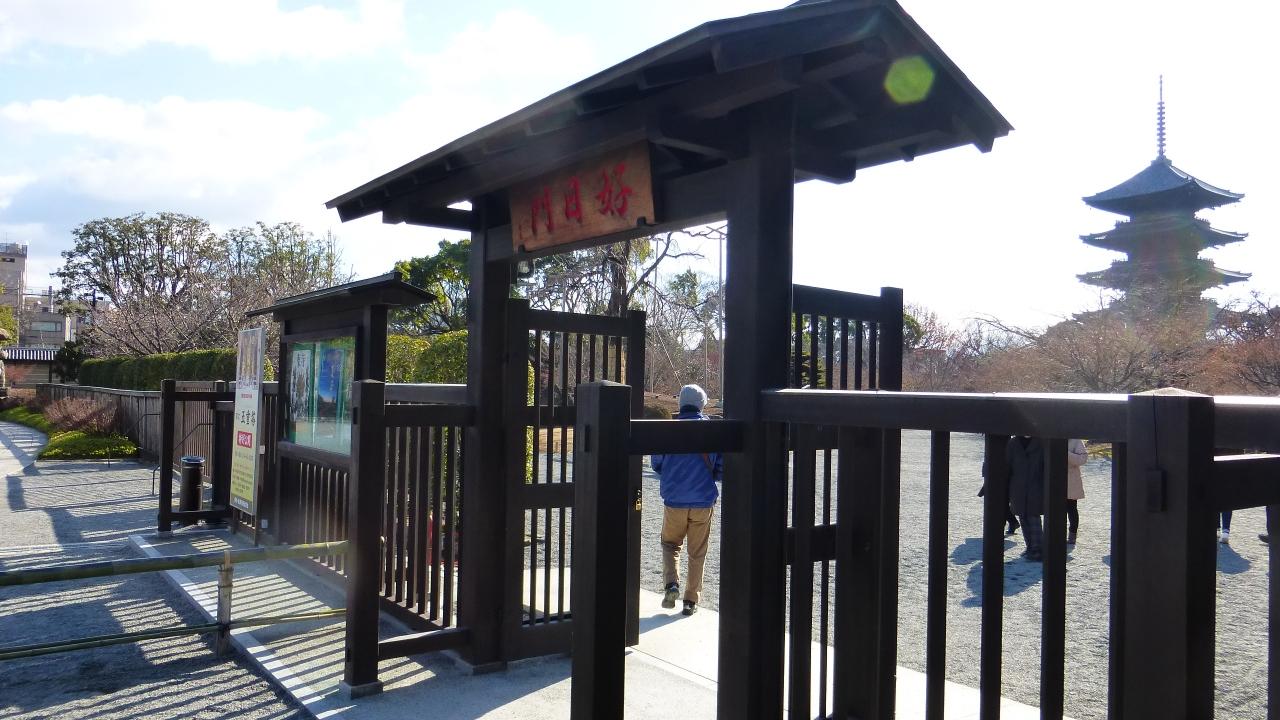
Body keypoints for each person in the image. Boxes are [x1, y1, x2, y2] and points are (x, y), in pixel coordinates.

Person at [650, 384, 723, 616]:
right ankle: (691, 600)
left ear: (681, 404)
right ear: (701, 405)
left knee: (670, 544)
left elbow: (657, 463)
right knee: (697, 552)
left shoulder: (668, 430)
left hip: (674, 500)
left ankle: (672, 584)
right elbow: (720, 467)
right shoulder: (711, 431)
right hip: (703, 501)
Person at [1006, 436, 1045, 562]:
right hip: (1018, 487)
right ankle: (1030, 547)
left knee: (1033, 517)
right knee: (1023, 517)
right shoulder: (1013, 443)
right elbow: (1008, 465)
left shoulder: (1042, 442)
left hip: (1036, 486)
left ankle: (1038, 548)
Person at [1066, 439, 1087, 545]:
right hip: (1054, 478)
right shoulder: (1051, 437)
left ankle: (1072, 534)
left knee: (1071, 508)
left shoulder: (1075, 440)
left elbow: (1083, 459)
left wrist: (1066, 454)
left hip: (1071, 480)